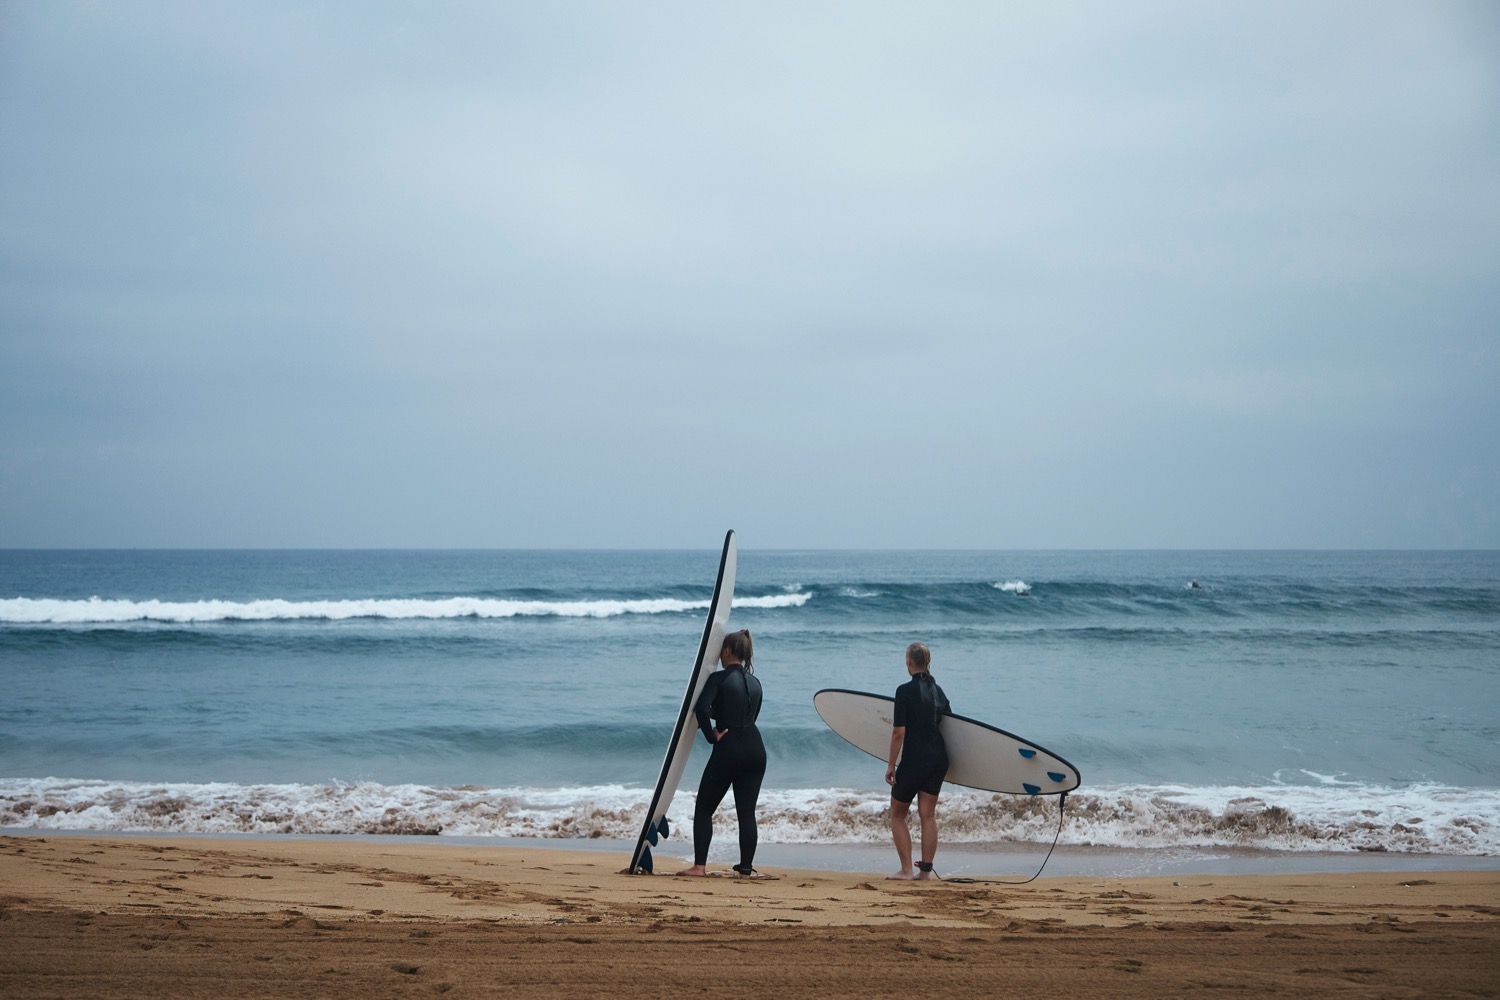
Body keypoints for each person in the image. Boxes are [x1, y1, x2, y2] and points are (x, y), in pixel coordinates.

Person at [677, 629, 768, 878]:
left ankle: (699, 867)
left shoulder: (719, 679)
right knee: (747, 812)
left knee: (705, 809)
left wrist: (711, 736)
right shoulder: (756, 683)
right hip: (756, 749)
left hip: (730, 748)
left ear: (726, 651)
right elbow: (749, 715)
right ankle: (745, 870)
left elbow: (701, 709)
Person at [885, 641, 949, 880]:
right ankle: (925, 874)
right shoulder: (939, 691)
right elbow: (951, 727)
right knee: (928, 815)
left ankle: (905, 870)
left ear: (909, 662)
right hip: (939, 760)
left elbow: (898, 732)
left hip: (914, 760)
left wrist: (891, 765)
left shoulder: (904, 691)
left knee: (898, 814)